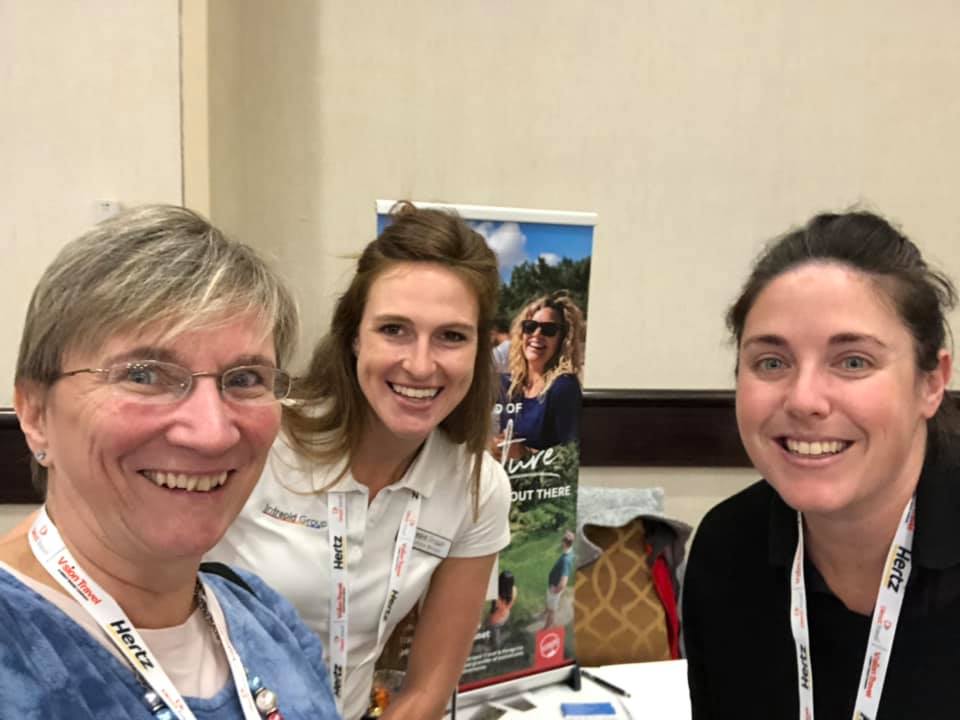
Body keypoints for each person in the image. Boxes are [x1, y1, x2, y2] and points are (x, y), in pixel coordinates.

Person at [0, 205, 339, 719]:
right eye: (144, 375)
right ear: (35, 413)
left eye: (245, 379)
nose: (211, 433)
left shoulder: (266, 620)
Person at [210, 202, 512, 720]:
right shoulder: (262, 439)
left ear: (480, 348)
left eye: (451, 336)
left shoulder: (477, 488)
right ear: (354, 336)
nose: (420, 365)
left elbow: (427, 690)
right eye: (394, 329)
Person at [682, 210, 960, 718]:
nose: (804, 400)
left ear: (931, 383)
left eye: (853, 361)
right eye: (772, 362)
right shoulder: (728, 550)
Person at [495, 292, 585, 457]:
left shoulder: (563, 387)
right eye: (530, 326)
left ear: (562, 339)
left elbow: (572, 457)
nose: (537, 334)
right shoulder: (507, 385)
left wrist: (525, 453)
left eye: (549, 330)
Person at [544, 529, 575, 629]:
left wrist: (555, 590)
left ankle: (547, 627)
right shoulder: (569, 552)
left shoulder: (566, 560)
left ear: (564, 543)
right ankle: (546, 611)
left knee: (552, 610)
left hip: (555, 587)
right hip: (553, 584)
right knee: (550, 604)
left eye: (562, 540)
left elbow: (563, 583)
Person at [488, 570, 518, 650]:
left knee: (496, 640)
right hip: (506, 615)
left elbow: (493, 609)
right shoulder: (514, 590)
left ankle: (497, 649)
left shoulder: (497, 597)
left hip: (495, 621)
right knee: (501, 630)